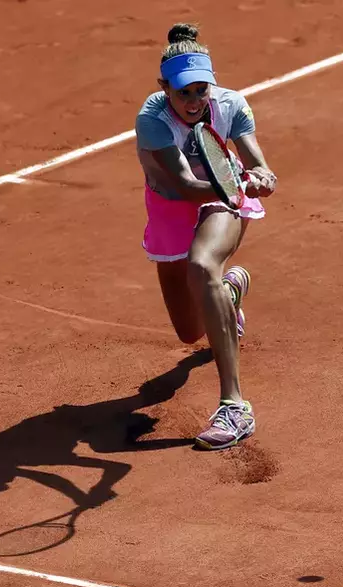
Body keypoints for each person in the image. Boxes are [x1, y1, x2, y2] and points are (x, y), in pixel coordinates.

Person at [134, 23, 277, 450]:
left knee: (202, 264)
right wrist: (234, 183)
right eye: (184, 93)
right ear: (164, 87)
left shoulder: (231, 104)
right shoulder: (152, 120)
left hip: (220, 204)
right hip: (176, 205)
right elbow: (182, 184)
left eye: (202, 90)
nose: (195, 101)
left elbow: (256, 159)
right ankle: (228, 295)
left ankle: (234, 406)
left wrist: (262, 177)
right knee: (189, 333)